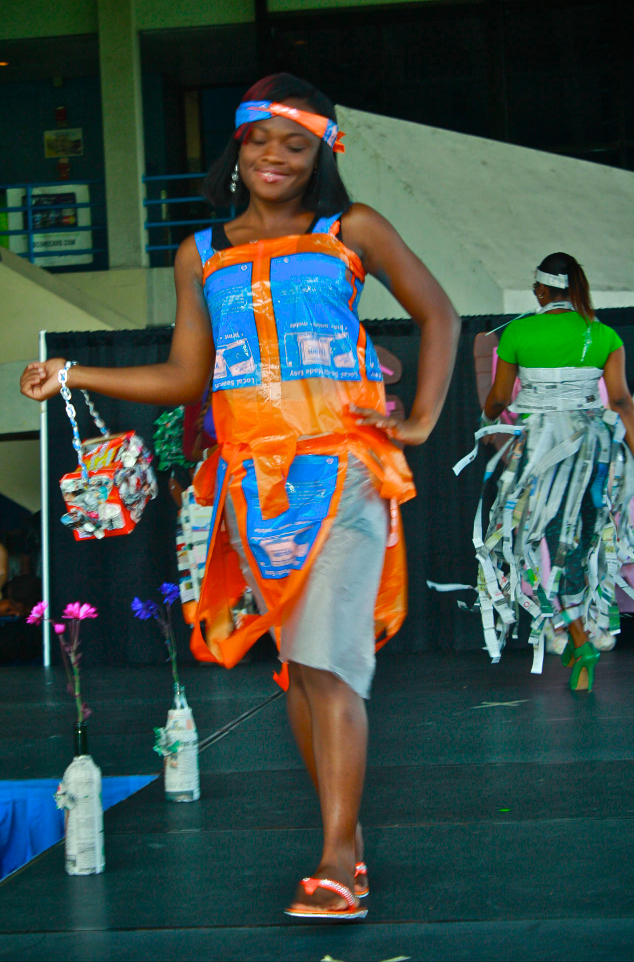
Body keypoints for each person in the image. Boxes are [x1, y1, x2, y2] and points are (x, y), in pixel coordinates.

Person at [20, 73, 460, 919]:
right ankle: (349, 843)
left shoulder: (350, 229)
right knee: (298, 669)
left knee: (328, 666)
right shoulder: (201, 253)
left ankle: (336, 859)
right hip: (251, 488)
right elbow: (189, 374)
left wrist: (424, 419)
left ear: (321, 155)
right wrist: (72, 372)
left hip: (344, 473)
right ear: (238, 145)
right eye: (262, 141)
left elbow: (438, 313)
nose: (275, 158)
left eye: (297, 145)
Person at [459, 251, 634, 692]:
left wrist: (488, 417)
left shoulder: (517, 333)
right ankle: (584, 629)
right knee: (580, 541)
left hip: (541, 452)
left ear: (540, 289)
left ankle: (573, 632)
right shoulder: (604, 335)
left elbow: (499, 398)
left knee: (539, 540)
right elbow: (621, 402)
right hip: (592, 449)